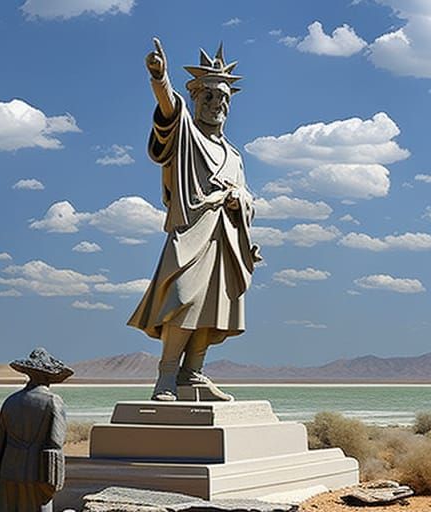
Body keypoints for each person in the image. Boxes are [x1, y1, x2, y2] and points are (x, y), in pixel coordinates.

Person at [127, 38, 260, 402]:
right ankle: (166, 375)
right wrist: (160, 78)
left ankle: (193, 374)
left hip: (226, 238)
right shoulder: (187, 133)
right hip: (191, 231)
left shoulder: (234, 155)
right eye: (208, 98)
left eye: (222, 100)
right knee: (182, 298)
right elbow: (170, 110)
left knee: (217, 305)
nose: (216, 105)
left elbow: (248, 196)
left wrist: (240, 200)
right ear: (197, 99)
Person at [0, 347, 72, 512]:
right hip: (37, 477)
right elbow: (55, 444)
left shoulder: (10, 401)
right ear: (48, 375)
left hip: (8, 473)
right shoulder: (53, 402)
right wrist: (51, 484)